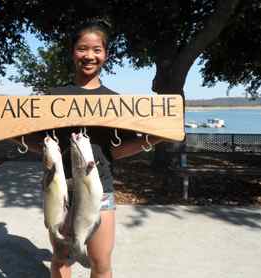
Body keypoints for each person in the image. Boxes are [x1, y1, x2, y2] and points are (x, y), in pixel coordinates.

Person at [13, 21, 163, 278]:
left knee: (101, 262)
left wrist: (154, 139)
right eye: (83, 49)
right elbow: (30, 138)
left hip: (100, 190)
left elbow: (115, 152)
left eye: (97, 50)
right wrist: (24, 141)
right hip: (59, 191)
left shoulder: (116, 102)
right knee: (61, 258)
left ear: (105, 54)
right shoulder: (51, 97)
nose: (89, 56)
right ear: (73, 52)